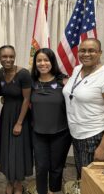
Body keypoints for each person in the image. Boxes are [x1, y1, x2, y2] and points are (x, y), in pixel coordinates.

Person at [62, 38, 104, 179]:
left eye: (91, 50)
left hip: (99, 135)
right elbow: (77, 90)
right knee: (84, 176)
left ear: (100, 53)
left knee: (99, 180)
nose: (86, 54)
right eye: (83, 50)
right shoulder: (77, 70)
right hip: (79, 134)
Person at [30, 48, 71, 194]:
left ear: (52, 62)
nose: (43, 63)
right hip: (38, 133)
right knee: (41, 167)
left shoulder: (64, 81)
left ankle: (54, 191)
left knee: (56, 167)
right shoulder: (31, 82)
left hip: (61, 133)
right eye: (39, 60)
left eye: (46, 60)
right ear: (35, 63)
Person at [0, 45, 33, 194]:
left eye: (11, 56)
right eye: (4, 57)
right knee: (6, 149)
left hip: (21, 115)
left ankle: (18, 183)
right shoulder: (0, 73)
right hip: (6, 115)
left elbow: (27, 99)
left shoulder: (23, 74)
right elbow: (2, 93)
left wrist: (19, 123)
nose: (8, 59)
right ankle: (9, 181)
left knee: (18, 150)